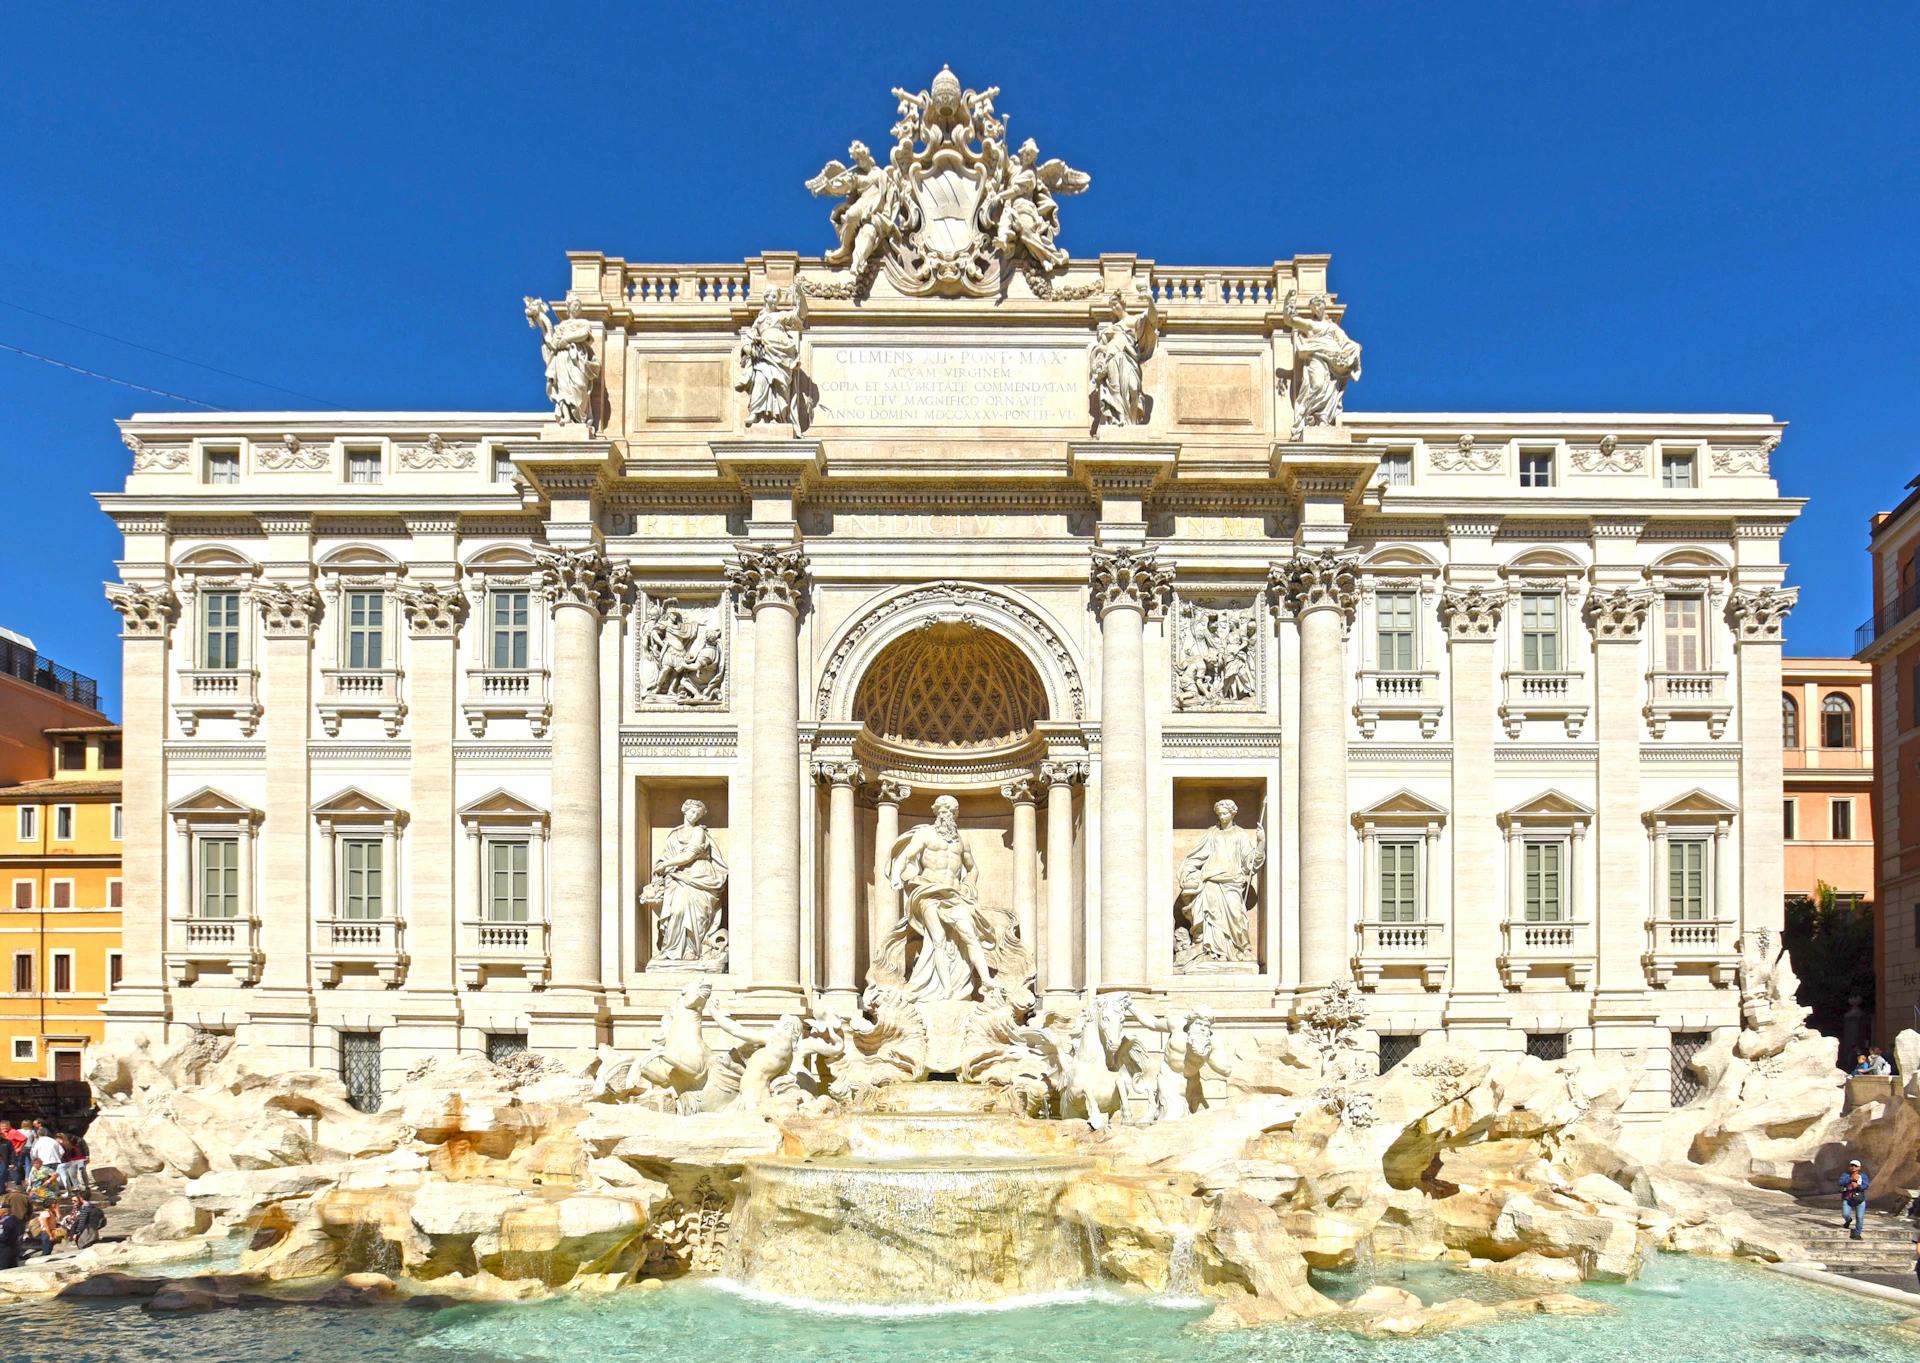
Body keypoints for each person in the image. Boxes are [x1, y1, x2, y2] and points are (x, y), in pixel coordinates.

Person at [1840, 1159, 1870, 1240]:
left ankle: (1857, 1234)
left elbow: (1866, 1185)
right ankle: (1848, 1220)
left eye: (1855, 1166)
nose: (1853, 1167)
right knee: (1845, 1214)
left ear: (1859, 1167)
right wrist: (1850, 1179)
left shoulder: (1863, 1176)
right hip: (1848, 1198)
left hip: (1859, 1198)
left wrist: (1858, 1186)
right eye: (1852, 1165)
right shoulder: (1845, 1175)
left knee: (1860, 1217)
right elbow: (1840, 1182)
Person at [0, 1121, 25, 1186]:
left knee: (14, 1169)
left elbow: (24, 1139)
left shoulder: (13, 1132)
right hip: (4, 1154)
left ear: (9, 1125)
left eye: (6, 1126)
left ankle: (18, 1184)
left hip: (14, 1153)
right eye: (3, 1126)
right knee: (4, 1172)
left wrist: (20, 1148)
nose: (4, 1127)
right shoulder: (1, 1133)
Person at [0, 1203, 22, 1271]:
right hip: (12, 1246)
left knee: (4, 1268)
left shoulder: (8, 1222)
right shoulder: (15, 1219)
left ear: (5, 1212)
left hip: (6, 1248)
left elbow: (5, 1236)